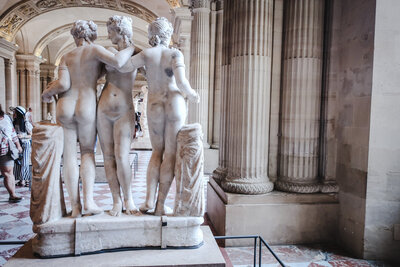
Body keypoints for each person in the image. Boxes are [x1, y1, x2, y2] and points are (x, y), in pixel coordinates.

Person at [41, 20, 134, 217]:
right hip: (87, 104)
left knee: (68, 157)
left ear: (75, 36)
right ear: (91, 35)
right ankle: (89, 202)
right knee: (86, 153)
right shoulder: (95, 50)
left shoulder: (66, 56)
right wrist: (132, 47)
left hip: (64, 105)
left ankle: (75, 207)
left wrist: (47, 93)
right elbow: (117, 62)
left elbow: (63, 84)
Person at [119, 17, 199, 215]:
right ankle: (160, 206)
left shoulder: (146, 54)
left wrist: (131, 48)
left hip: (154, 104)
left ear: (151, 35)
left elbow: (124, 66)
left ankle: (147, 201)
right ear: (167, 34)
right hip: (174, 103)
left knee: (156, 153)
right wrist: (192, 94)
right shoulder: (175, 53)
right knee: (170, 154)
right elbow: (181, 82)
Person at [97, 15, 139, 216]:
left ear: (121, 30)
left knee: (122, 157)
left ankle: (129, 198)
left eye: (111, 30)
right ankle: (116, 200)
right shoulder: (111, 52)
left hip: (124, 109)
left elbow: (158, 76)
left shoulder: (140, 53)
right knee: (107, 157)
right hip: (103, 108)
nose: (108, 34)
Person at [0, 105, 23, 202]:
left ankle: (12, 195)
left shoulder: (6, 118)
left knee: (8, 173)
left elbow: (13, 133)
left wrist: (18, 145)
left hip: (6, 151)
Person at [12, 106, 32, 187]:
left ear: (18, 113)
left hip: (25, 143)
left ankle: (24, 180)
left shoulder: (26, 123)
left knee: (25, 162)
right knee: (17, 162)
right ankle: (20, 179)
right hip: (17, 144)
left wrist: (22, 136)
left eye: (15, 112)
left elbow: (31, 135)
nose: (13, 114)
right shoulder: (14, 122)